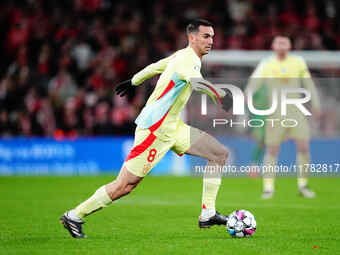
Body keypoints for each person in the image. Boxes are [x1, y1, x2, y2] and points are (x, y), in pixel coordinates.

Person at [60, 19, 232, 238]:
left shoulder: (181, 56)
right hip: (155, 130)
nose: (211, 41)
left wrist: (133, 81)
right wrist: (221, 96)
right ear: (192, 37)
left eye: (212, 36)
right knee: (125, 186)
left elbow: (155, 67)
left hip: (172, 126)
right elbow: (198, 83)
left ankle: (207, 213)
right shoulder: (188, 60)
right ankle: (74, 215)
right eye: (206, 36)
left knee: (219, 154)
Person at [245, 36, 321, 199]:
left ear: (290, 45)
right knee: (272, 149)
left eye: (285, 43)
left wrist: (316, 104)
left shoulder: (298, 62)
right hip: (275, 113)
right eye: (279, 43)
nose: (282, 46)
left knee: (303, 147)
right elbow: (253, 83)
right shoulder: (266, 63)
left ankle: (303, 185)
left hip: (296, 112)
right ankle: (268, 188)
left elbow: (309, 84)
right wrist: (245, 97)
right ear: (273, 46)